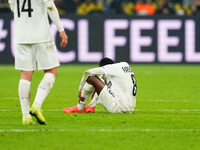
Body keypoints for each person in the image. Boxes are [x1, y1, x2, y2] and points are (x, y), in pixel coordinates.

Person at [8, 0, 68, 125]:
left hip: (21, 36)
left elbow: (13, 8)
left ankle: (26, 117)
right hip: (41, 36)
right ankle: (36, 105)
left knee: (25, 75)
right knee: (51, 71)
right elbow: (50, 7)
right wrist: (61, 30)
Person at [63, 58, 137, 114]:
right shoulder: (124, 65)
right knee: (101, 80)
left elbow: (87, 73)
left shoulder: (111, 68)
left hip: (117, 107)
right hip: (129, 109)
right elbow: (102, 79)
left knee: (91, 78)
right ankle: (91, 106)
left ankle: (80, 107)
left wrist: (80, 90)